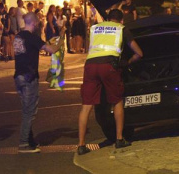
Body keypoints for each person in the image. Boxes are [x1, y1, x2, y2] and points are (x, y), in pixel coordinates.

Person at [77, 9, 143, 155]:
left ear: (108, 18)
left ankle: (81, 145)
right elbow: (139, 53)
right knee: (117, 101)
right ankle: (119, 139)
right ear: (121, 20)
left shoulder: (95, 28)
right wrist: (128, 62)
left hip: (90, 65)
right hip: (109, 66)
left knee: (86, 106)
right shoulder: (121, 29)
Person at [13, 12, 65, 153]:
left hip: (19, 76)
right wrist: (61, 34)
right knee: (29, 112)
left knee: (26, 109)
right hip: (30, 77)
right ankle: (24, 144)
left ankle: (30, 140)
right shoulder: (32, 38)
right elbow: (52, 49)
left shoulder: (18, 36)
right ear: (34, 23)